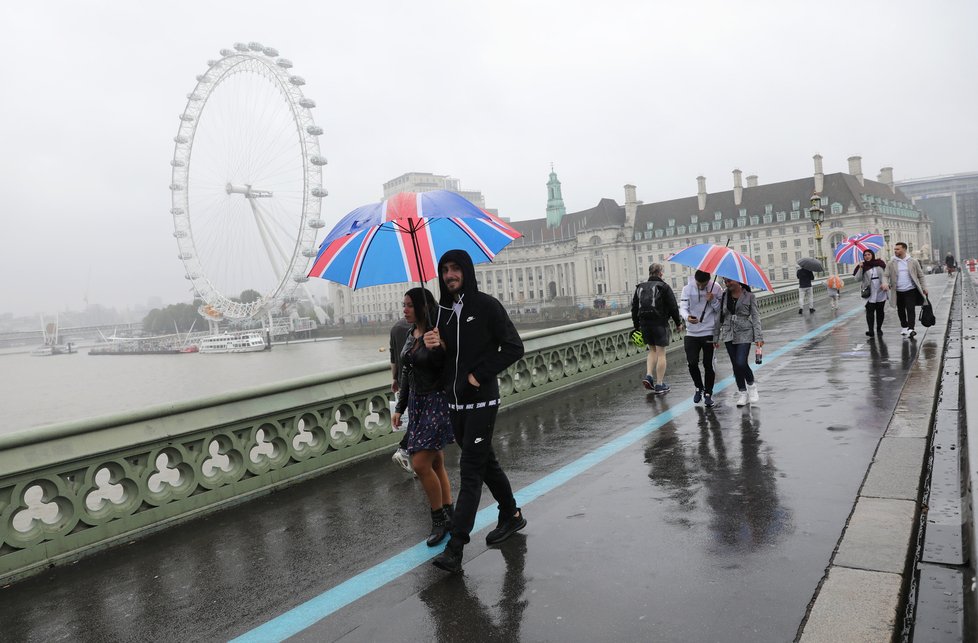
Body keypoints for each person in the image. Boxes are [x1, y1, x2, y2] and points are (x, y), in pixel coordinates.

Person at [426, 249, 525, 574]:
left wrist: (477, 375)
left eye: (455, 269)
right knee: (486, 464)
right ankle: (511, 514)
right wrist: (435, 350)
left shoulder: (486, 306)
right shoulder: (439, 314)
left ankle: (456, 548)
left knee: (470, 472)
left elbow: (514, 346)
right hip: (454, 405)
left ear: (466, 271)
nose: (450, 275)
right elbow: (443, 364)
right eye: (445, 270)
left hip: (482, 401)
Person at [391, 288, 455, 546]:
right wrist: (400, 407)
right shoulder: (410, 335)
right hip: (417, 404)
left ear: (422, 307)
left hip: (436, 403)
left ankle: (438, 520)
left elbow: (445, 367)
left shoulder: (436, 334)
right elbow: (407, 374)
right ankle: (449, 512)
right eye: (403, 305)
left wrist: (438, 348)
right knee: (436, 463)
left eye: (409, 305)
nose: (404, 310)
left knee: (419, 465)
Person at [631, 263, 684, 394]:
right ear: (660, 273)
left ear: (649, 273)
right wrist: (678, 323)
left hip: (644, 324)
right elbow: (673, 307)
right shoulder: (664, 287)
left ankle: (649, 375)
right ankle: (660, 384)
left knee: (652, 350)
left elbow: (634, 308)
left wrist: (636, 325)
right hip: (659, 323)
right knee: (661, 353)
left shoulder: (640, 287)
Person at [713, 278, 764, 407]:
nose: (727, 284)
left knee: (741, 362)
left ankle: (751, 386)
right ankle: (742, 392)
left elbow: (756, 316)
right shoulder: (724, 295)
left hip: (745, 331)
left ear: (738, 281)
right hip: (728, 332)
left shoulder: (750, 296)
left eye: (729, 281)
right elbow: (719, 317)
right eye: (725, 281)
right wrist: (715, 337)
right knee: (735, 365)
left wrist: (758, 337)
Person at [679, 270, 722, 407]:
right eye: (699, 284)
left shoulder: (716, 288)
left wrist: (713, 300)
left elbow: (721, 310)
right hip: (691, 333)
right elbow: (683, 308)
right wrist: (687, 317)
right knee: (692, 363)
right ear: (695, 280)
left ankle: (708, 393)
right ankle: (699, 387)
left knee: (708, 364)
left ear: (709, 280)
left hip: (709, 332)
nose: (701, 287)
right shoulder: (687, 289)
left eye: (704, 285)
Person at [885, 242, 928, 338]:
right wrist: (885, 283)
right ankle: (904, 326)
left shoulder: (913, 261)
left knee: (910, 309)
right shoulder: (891, 263)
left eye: (898, 249)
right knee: (900, 309)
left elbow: (920, 275)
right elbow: (886, 275)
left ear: (904, 249)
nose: (895, 251)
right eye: (895, 249)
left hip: (910, 289)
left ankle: (911, 328)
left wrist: (924, 287)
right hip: (898, 290)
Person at [389, 316, 414, 475]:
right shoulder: (425, 326)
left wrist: (394, 378)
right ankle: (404, 448)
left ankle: (416, 461)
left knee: (415, 419)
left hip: (403, 380)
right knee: (420, 421)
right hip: (419, 381)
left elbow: (393, 358)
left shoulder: (396, 327)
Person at [853, 249, 888, 337]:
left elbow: (886, 275)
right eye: (865, 255)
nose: (867, 256)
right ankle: (871, 330)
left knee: (880, 311)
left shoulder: (879, 263)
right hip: (869, 290)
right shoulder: (862, 266)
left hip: (880, 289)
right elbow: (857, 279)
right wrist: (860, 268)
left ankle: (879, 328)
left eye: (869, 254)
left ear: (872, 255)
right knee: (870, 310)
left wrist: (885, 283)